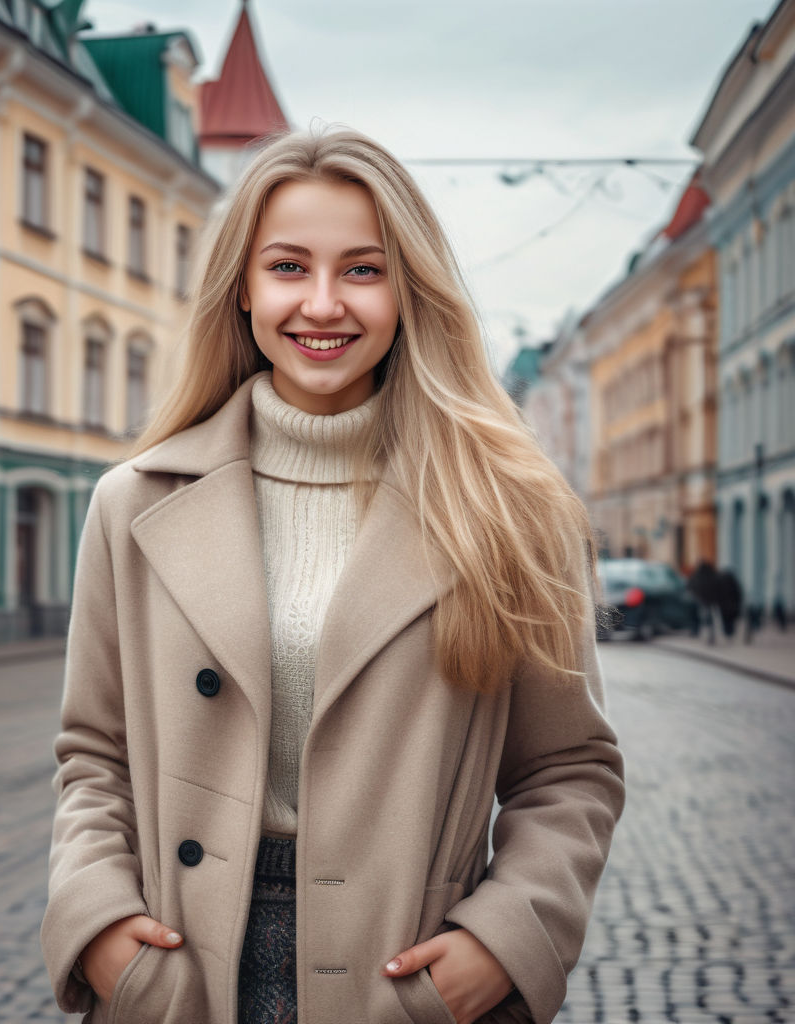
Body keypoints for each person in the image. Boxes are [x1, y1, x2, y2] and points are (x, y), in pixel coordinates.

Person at [41, 128, 625, 1024]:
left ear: (409, 290)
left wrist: (503, 937)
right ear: (242, 287)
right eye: (286, 267)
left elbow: (568, 769)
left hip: (401, 978)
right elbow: (94, 757)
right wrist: (100, 923)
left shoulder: (507, 509)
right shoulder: (134, 502)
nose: (322, 304)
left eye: (362, 270)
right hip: (184, 971)